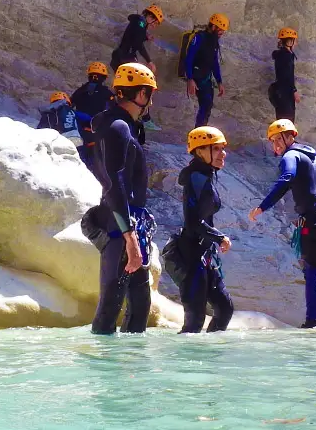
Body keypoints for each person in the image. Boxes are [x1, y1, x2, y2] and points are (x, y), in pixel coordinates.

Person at [249, 120, 316, 329]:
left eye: (277, 140)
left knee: (312, 269)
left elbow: (287, 177)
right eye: (272, 141)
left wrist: (263, 206)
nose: (275, 146)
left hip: (315, 220)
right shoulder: (313, 158)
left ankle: (312, 321)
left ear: (290, 137)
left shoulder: (291, 156)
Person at [89, 63, 158, 334]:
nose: (150, 102)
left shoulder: (121, 125)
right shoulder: (118, 126)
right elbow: (114, 183)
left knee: (140, 306)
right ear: (141, 95)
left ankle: (130, 372)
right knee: (110, 307)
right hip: (120, 227)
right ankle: (102, 374)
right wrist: (129, 238)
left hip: (128, 224)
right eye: (150, 95)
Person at [175, 126, 234, 333]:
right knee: (195, 320)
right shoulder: (196, 177)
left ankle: (209, 363)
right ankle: (188, 363)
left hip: (204, 252)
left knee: (224, 308)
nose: (223, 154)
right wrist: (220, 237)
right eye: (216, 149)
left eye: (222, 149)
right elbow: (193, 221)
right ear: (200, 151)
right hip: (191, 254)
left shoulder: (205, 175)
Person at [111, 5, 164, 131]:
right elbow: (137, 43)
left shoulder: (139, 24)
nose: (154, 26)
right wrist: (149, 61)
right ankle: (144, 118)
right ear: (150, 16)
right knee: (141, 86)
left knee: (127, 90)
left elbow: (135, 37)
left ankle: (132, 117)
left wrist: (146, 37)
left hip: (122, 57)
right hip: (125, 58)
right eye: (155, 22)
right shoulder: (140, 22)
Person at [186, 13, 229, 127]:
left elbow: (214, 62)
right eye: (220, 30)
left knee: (208, 107)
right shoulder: (199, 38)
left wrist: (219, 82)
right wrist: (190, 79)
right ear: (214, 27)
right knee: (206, 104)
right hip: (197, 77)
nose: (222, 34)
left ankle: (201, 131)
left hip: (206, 78)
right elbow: (189, 58)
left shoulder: (214, 40)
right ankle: (198, 133)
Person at [71, 61, 115, 172]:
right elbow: (114, 110)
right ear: (104, 77)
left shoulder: (80, 90)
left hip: (79, 127)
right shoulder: (107, 93)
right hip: (97, 128)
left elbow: (70, 105)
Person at [269, 27, 301, 121]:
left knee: (283, 122)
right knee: (287, 123)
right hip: (285, 94)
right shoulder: (286, 56)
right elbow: (287, 75)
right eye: (295, 41)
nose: (296, 43)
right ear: (289, 42)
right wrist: (294, 91)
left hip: (281, 93)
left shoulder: (283, 54)